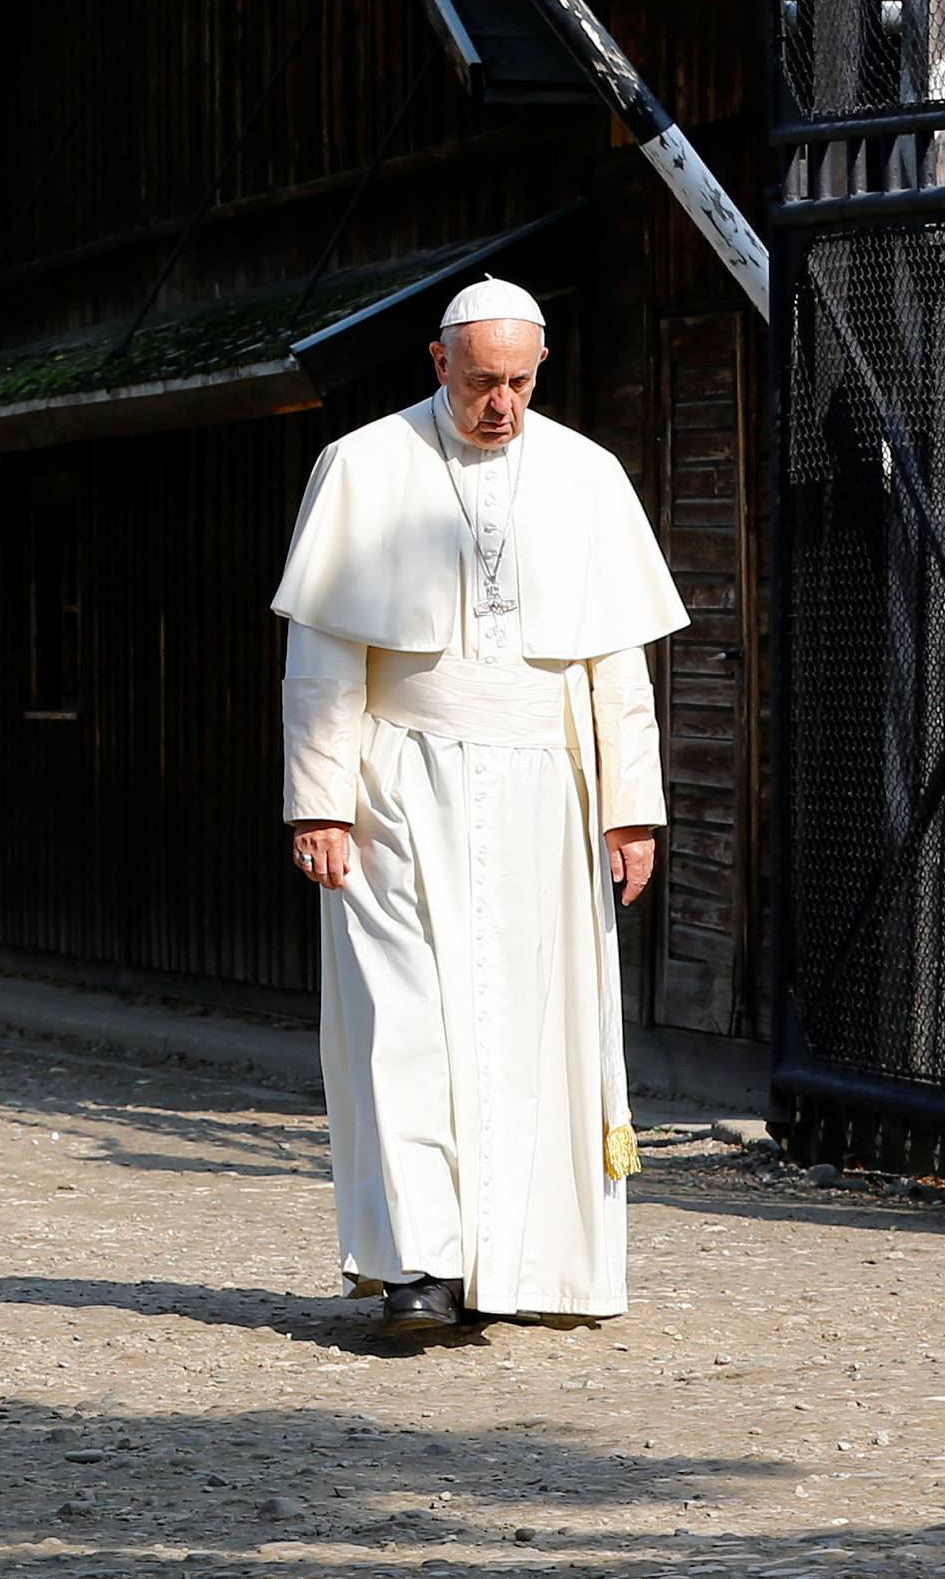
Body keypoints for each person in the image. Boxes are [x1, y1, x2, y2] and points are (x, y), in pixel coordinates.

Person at [273, 277, 686, 1334]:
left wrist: (631, 807)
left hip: (547, 782)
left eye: (520, 381)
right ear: (437, 360)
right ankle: (420, 1262)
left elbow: (614, 662)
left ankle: (525, 1265)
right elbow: (322, 656)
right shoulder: (364, 466)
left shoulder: (586, 474)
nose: (501, 403)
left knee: (531, 1024)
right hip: (395, 783)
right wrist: (318, 800)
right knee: (401, 1018)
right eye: (480, 381)